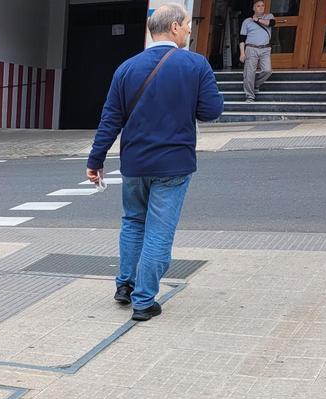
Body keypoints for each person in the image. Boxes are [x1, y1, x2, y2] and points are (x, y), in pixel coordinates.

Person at [86, 3, 223, 322]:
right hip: (173, 165)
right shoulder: (195, 64)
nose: (189, 30)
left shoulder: (126, 68)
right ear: (174, 27)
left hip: (134, 163)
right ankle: (144, 300)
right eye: (187, 25)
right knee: (159, 231)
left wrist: (96, 160)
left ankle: (125, 284)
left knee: (133, 221)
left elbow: (110, 119)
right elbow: (211, 111)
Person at [240, 0, 275, 102]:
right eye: (258, 6)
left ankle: (255, 84)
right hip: (251, 48)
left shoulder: (269, 16)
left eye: (262, 6)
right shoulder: (247, 21)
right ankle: (250, 96)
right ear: (254, 8)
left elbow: (271, 23)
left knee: (267, 70)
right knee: (249, 73)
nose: (261, 7)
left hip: (265, 49)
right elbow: (242, 39)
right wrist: (242, 53)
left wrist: (258, 20)